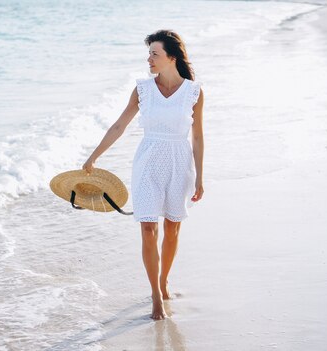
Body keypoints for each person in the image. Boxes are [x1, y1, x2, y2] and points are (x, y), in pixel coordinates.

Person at [82, 29, 205, 320]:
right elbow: (119, 126)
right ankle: (155, 295)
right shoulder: (142, 90)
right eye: (148, 53)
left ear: (171, 57)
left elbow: (198, 137)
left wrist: (200, 177)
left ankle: (163, 281)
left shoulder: (194, 92)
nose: (148, 58)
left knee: (173, 228)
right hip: (147, 162)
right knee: (148, 228)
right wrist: (94, 156)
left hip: (179, 163)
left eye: (154, 53)